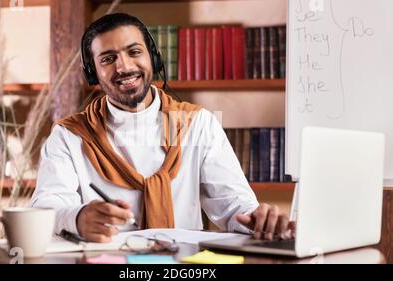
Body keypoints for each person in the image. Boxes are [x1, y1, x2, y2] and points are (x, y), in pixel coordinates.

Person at [30, 13, 294, 243]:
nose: (124, 67)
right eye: (108, 59)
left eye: (134, 52)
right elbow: (45, 207)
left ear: (153, 58)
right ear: (92, 73)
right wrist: (77, 217)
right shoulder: (70, 135)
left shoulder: (197, 124)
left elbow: (234, 205)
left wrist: (259, 220)